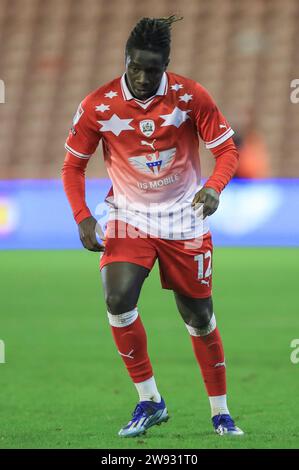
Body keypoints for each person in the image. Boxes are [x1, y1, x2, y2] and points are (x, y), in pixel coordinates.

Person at [62, 15, 244, 438]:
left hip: (185, 218)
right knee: (117, 298)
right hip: (129, 216)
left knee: (199, 316)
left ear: (167, 64)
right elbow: (73, 165)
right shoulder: (99, 105)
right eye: (136, 67)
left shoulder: (190, 96)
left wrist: (215, 187)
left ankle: (220, 412)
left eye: (153, 69)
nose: (143, 77)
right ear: (125, 60)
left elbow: (227, 150)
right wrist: (83, 216)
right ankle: (150, 400)